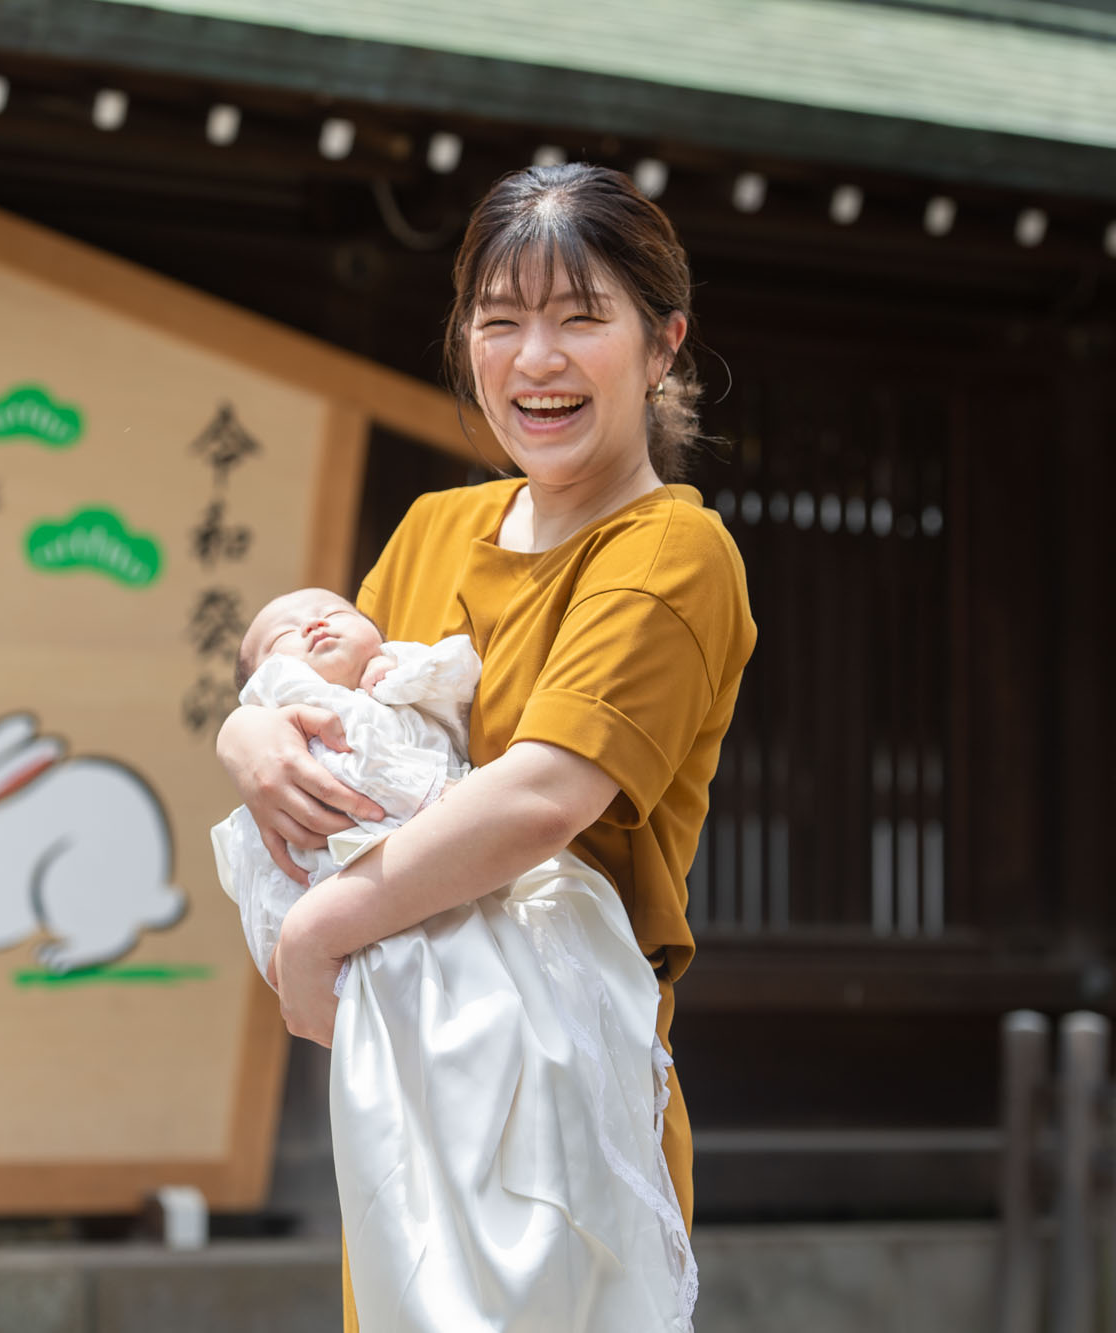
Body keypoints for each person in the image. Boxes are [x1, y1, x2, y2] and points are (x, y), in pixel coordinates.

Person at [215, 162, 755, 1330]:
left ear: (662, 344)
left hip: (559, 1082)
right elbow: (327, 699)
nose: (534, 359)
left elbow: (544, 795)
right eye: (498, 319)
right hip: (405, 1068)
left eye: (578, 317)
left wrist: (322, 923)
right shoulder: (431, 530)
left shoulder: (672, 553)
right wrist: (248, 730)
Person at [214, 588, 696, 1330]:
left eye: (328, 608)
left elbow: (467, 698)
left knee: (537, 1095)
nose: (310, 621)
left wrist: (397, 677)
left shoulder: (406, 667)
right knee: (442, 1160)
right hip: (387, 920)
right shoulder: (288, 700)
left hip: (478, 908)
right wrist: (246, 728)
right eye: (280, 629)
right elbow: (339, 780)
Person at [212, 587, 482, 984]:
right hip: (354, 884)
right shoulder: (296, 708)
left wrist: (398, 669)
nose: (313, 623)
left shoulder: (396, 687)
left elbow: (460, 679)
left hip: (442, 874)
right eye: (280, 636)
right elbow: (356, 769)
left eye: (335, 612)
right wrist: (440, 796)